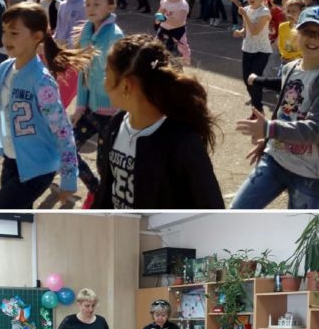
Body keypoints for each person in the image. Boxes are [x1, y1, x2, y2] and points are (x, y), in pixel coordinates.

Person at [0, 2, 89, 206]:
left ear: (37, 36)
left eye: (14, 33)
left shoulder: (42, 81)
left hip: (38, 169)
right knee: (19, 217)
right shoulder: (4, 69)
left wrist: (69, 176)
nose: (6, 39)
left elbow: (62, 131)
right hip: (11, 162)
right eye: (4, 32)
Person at [232, 6, 319, 210]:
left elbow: (316, 129)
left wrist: (269, 128)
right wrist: (268, 140)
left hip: (308, 175)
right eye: (307, 31)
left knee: (300, 229)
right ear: (297, 32)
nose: (312, 39)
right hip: (274, 160)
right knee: (236, 212)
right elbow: (282, 113)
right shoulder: (290, 68)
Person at [93, 34, 225, 209]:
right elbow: (106, 194)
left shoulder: (181, 142)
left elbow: (211, 209)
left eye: (107, 74)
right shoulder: (116, 125)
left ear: (126, 86)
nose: (104, 83)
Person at [73, 0, 124, 209]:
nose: (90, 8)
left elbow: (122, 75)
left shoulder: (115, 36)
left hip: (111, 114)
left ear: (110, 7)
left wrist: (120, 109)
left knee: (106, 165)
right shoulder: (86, 32)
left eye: (96, 4)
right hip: (90, 110)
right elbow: (83, 72)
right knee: (66, 150)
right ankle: (95, 190)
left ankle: (105, 200)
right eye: (87, 4)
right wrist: (80, 107)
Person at [231, 0, 272, 112]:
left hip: (261, 50)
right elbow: (247, 29)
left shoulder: (264, 12)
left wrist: (245, 15)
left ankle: (257, 109)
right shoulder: (247, 9)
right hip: (248, 48)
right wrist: (240, 32)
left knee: (254, 79)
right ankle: (257, 106)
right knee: (246, 79)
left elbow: (255, 31)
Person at [153, 0, 191, 65]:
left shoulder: (183, 5)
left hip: (177, 32)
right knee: (157, 50)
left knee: (175, 56)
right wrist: (157, 18)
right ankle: (157, 65)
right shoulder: (164, 0)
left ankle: (175, 67)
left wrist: (164, 19)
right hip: (163, 30)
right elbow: (159, 12)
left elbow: (179, 22)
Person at [278, 0, 306, 65]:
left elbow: (305, 48)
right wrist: (285, 56)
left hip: (300, 62)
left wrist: (293, 58)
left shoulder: (305, 28)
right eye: (288, 11)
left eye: (293, 11)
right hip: (285, 60)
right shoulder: (282, 26)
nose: (290, 14)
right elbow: (281, 44)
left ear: (301, 12)